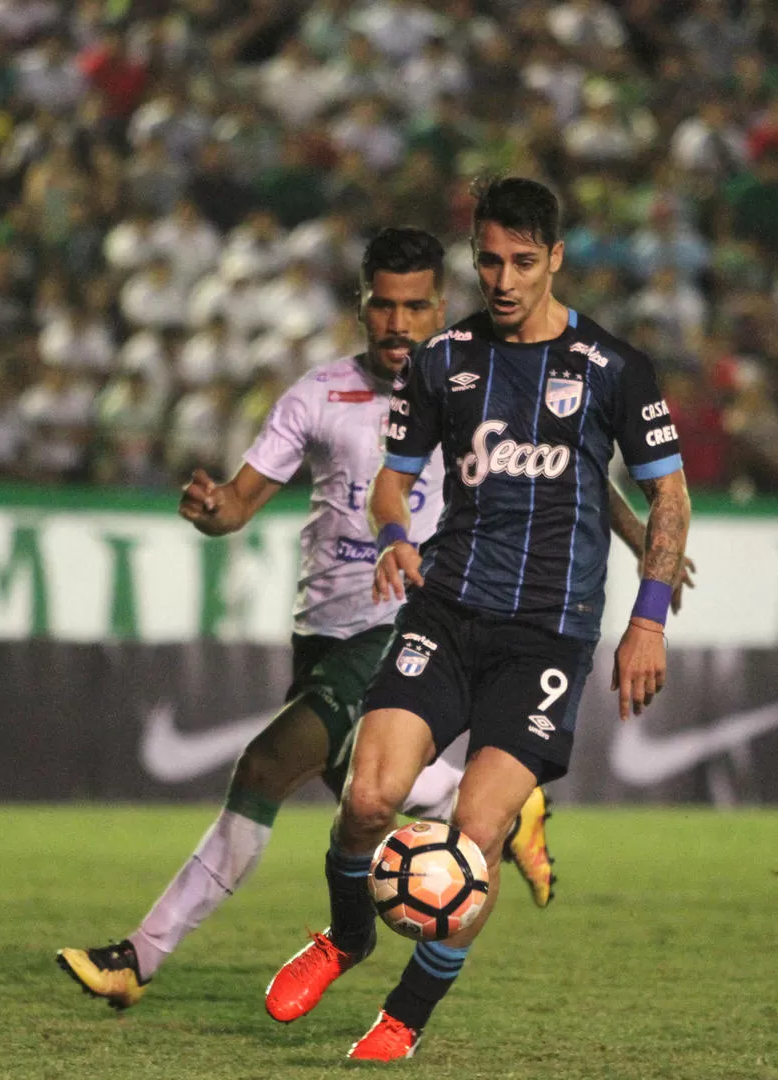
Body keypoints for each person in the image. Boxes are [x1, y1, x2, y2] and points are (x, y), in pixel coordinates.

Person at [55, 224, 688, 1012]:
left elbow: (572, 475)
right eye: (384, 307)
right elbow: (240, 505)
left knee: (262, 768)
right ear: (362, 308)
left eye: (416, 307)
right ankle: (485, 800)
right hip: (322, 630)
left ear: (438, 308)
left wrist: (640, 545)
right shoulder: (317, 395)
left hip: (404, 625)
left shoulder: (475, 376)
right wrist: (213, 509)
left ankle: (142, 957)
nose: (399, 324)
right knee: (362, 796)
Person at [265, 177, 692, 1061]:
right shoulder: (445, 361)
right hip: (447, 611)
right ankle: (346, 937)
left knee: (476, 837)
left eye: (522, 262)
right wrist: (393, 532)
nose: (502, 279)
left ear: (556, 259)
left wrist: (646, 622)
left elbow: (668, 501)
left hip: (546, 635)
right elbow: (395, 475)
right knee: (368, 798)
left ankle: (406, 1013)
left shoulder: (613, 369)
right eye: (488, 260)